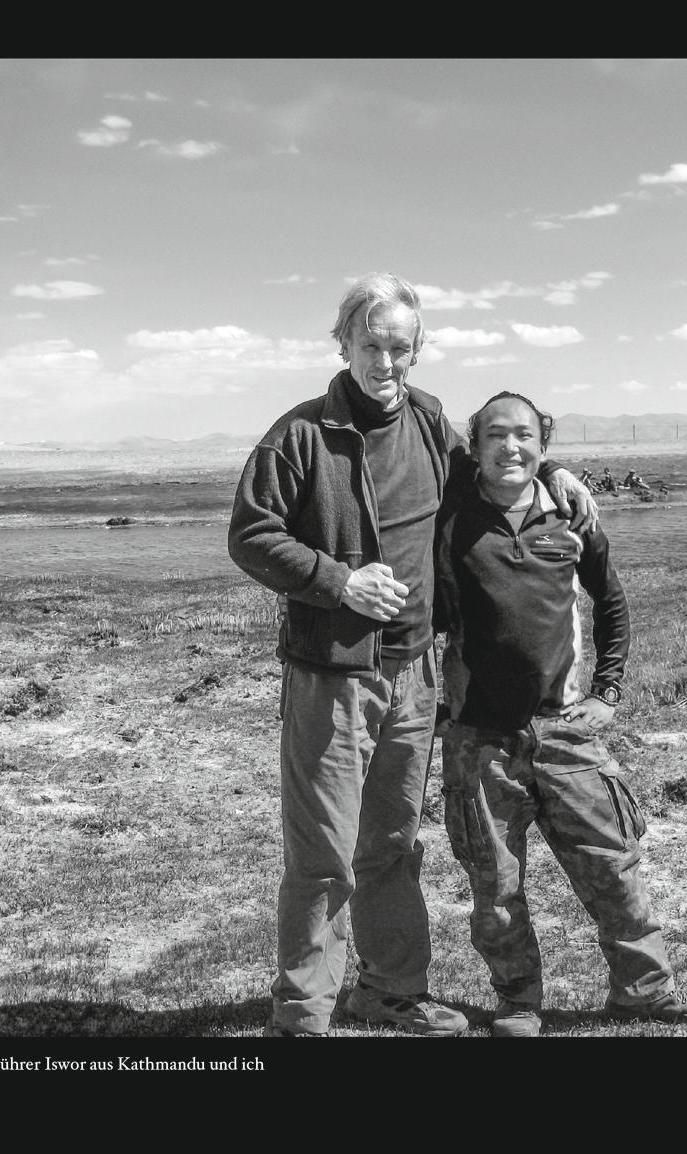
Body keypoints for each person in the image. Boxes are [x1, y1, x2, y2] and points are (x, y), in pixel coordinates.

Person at [228, 273, 597, 1037]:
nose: (386, 362)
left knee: (391, 842)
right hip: (334, 673)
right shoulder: (299, 436)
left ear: (417, 351)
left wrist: (552, 472)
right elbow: (251, 535)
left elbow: (484, 477)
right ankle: (301, 1014)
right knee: (323, 851)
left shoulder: (429, 423)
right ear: (344, 344)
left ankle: (388, 990)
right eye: (372, 345)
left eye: (401, 347)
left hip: (417, 671)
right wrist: (337, 581)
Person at [434, 390, 687, 1037]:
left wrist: (606, 692)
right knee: (496, 886)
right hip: (481, 739)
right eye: (496, 435)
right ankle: (518, 1003)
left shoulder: (568, 512)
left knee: (614, 866)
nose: (511, 447)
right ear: (474, 447)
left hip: (566, 731)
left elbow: (611, 604)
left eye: (526, 436)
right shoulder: (451, 517)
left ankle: (645, 992)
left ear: (545, 443)